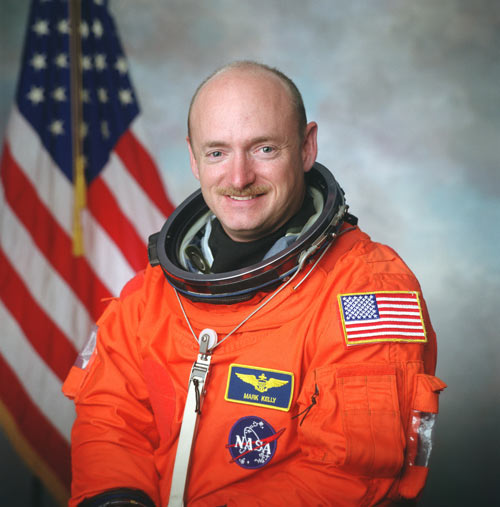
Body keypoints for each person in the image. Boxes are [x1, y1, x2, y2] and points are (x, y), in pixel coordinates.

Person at [63, 61, 446, 507]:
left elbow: (349, 477)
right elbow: (111, 420)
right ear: (193, 158)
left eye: (264, 149)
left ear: (306, 148)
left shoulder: (367, 289)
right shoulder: (149, 296)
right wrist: (116, 499)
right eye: (217, 152)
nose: (239, 177)